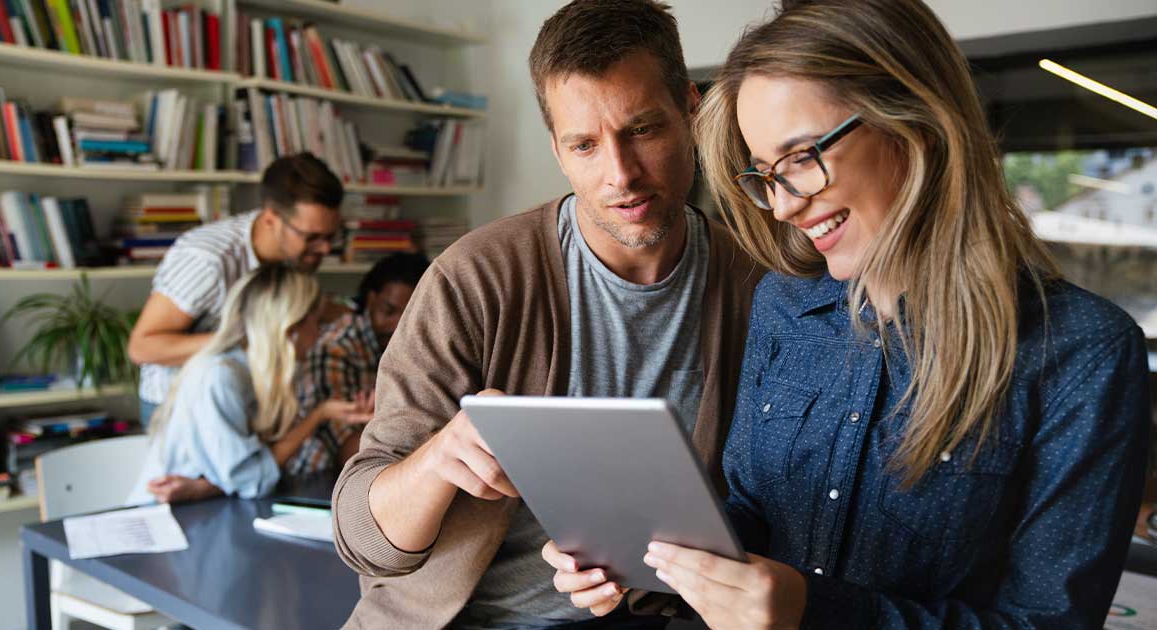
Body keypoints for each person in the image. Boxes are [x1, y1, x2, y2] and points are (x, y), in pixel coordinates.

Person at [546, 0, 1153, 627]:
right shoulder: (784, 302)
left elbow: (1049, 622)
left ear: (916, 121)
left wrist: (813, 611)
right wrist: (643, 551)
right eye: (766, 175)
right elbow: (751, 510)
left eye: (802, 157)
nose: (780, 206)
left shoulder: (1083, 354)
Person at [329, 1, 761, 628]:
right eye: (585, 144)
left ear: (691, 109)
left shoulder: (752, 282)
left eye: (643, 130)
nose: (621, 175)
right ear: (557, 150)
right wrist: (436, 460)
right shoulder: (474, 278)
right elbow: (359, 537)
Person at [127, 153, 349, 427]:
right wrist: (254, 337)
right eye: (312, 237)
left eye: (331, 236)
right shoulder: (207, 259)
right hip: (180, 408)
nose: (325, 249)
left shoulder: (294, 257)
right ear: (271, 219)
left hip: (246, 401)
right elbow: (143, 347)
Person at [126, 265, 366, 505]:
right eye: (318, 323)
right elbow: (252, 480)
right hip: (169, 517)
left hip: (207, 509)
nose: (319, 334)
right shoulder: (219, 377)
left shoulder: (260, 372)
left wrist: (324, 412)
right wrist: (316, 417)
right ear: (291, 328)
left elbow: (253, 467)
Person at [287, 251, 431, 478]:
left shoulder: (417, 344)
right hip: (322, 480)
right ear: (371, 300)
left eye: (408, 317)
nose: (397, 326)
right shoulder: (336, 349)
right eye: (389, 311)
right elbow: (346, 453)